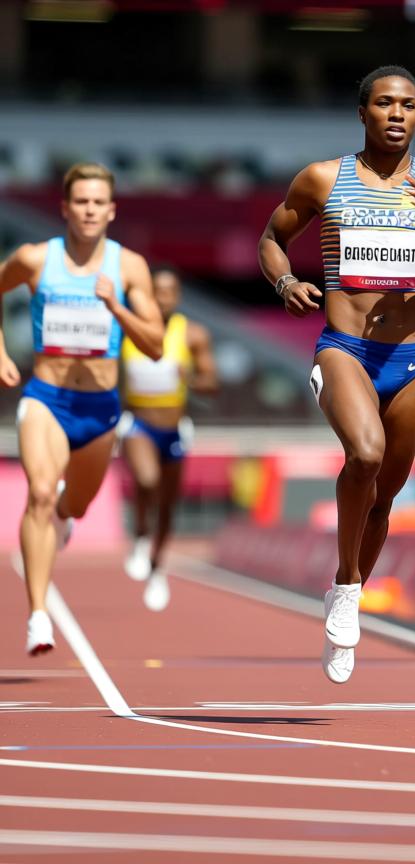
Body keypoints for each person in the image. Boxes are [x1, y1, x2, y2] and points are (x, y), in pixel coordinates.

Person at [257, 65, 415, 684]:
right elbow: (272, 238)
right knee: (365, 453)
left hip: (411, 359)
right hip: (345, 348)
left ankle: (344, 585)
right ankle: (350, 585)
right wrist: (285, 280)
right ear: (363, 112)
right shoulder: (323, 178)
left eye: (408, 105)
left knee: (384, 496)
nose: (397, 115)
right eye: (384, 103)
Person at [0, 162, 164, 655]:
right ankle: (38, 616)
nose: (89, 210)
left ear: (111, 211)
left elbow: (155, 344)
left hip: (99, 408)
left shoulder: (129, 266)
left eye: (98, 203)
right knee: (42, 494)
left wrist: (117, 308)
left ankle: (68, 518)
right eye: (81, 202)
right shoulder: (34, 259)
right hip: (45, 398)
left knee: (74, 505)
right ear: (65, 208)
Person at [119, 265, 218, 611]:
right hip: (137, 423)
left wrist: (189, 376)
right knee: (146, 480)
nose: (162, 299)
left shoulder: (192, 334)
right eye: (155, 292)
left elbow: (212, 383)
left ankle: (157, 568)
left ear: (177, 296)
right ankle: (140, 534)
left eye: (169, 292)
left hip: (174, 427)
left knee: (168, 504)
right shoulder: (126, 332)